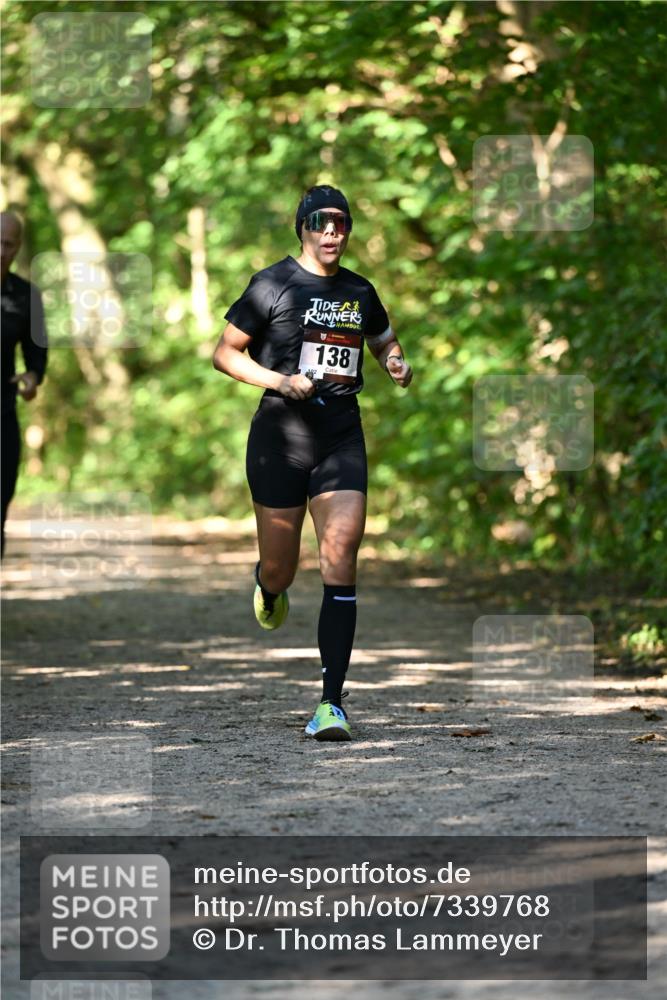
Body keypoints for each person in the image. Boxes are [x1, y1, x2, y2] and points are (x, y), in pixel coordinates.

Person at [213, 185, 412, 741]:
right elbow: (225, 353)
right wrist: (280, 380)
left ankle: (331, 703)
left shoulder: (359, 290)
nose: (332, 233)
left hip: (340, 436)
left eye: (342, 224)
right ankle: (269, 586)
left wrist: (395, 362)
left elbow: (384, 339)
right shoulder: (271, 284)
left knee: (340, 554)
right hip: (279, 436)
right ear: (301, 226)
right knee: (283, 567)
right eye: (321, 223)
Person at [1, 211, 48, 557]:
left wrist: (31, 379)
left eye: (8, 244)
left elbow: (36, 358)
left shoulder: (27, 297)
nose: (1, 250)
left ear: (17, 248)